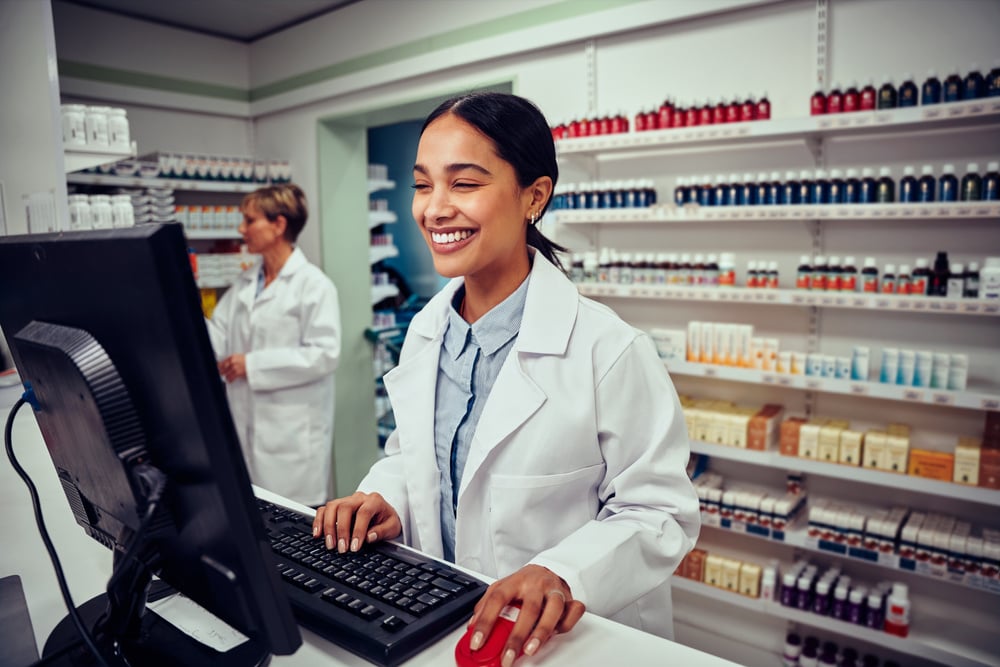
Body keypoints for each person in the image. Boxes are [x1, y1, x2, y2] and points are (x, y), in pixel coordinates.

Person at [314, 92, 699, 665]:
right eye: (423, 185)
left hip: (569, 644)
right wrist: (385, 494)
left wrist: (564, 572)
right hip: (446, 624)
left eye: (463, 183)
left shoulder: (608, 349)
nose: (435, 209)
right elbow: (414, 455)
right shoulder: (426, 332)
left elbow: (658, 511)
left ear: (533, 197)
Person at [206, 183, 341, 507]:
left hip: (292, 443)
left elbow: (324, 354)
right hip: (245, 433)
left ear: (278, 225)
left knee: (295, 532)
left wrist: (251, 365)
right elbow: (217, 336)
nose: (242, 229)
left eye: (250, 220)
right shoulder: (244, 285)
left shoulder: (314, 286)